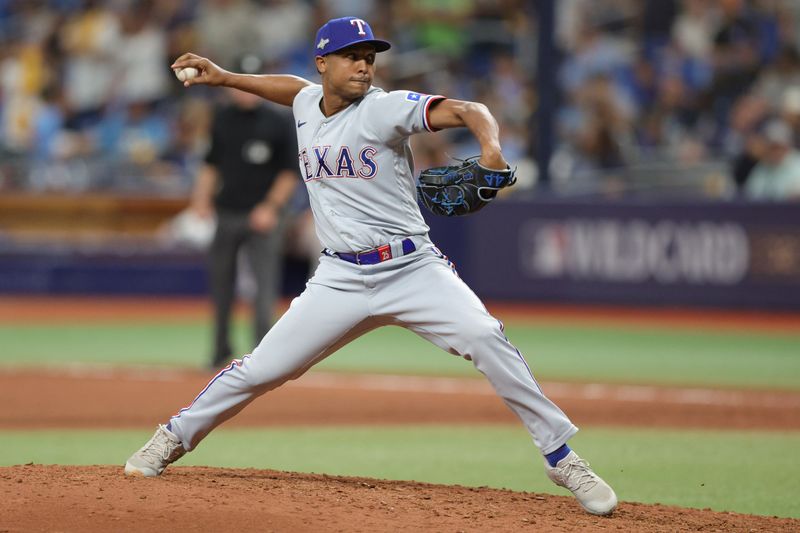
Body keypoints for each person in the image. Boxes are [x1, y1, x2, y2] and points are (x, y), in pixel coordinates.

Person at [124, 16, 618, 516]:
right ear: (323, 64)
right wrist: (225, 76)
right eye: (351, 56)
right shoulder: (303, 103)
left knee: (486, 337)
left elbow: (471, 108)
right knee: (262, 369)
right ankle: (171, 438)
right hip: (339, 277)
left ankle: (560, 455)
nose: (363, 65)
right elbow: (291, 89)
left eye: (369, 57)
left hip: (412, 269)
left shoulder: (385, 109)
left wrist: (490, 149)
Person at [190, 54, 299, 368]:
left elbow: (289, 172)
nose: (245, 92)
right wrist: (201, 199)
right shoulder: (222, 118)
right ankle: (219, 350)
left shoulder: (278, 121)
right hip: (227, 212)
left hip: (265, 216)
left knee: (264, 288)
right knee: (221, 285)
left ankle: (263, 357)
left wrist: (270, 207)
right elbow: (211, 164)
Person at [743, 118, 800, 200]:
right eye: (771, 147)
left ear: (787, 146)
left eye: (778, 147)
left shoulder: (797, 162)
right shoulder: (763, 166)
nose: (775, 152)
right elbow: (750, 194)